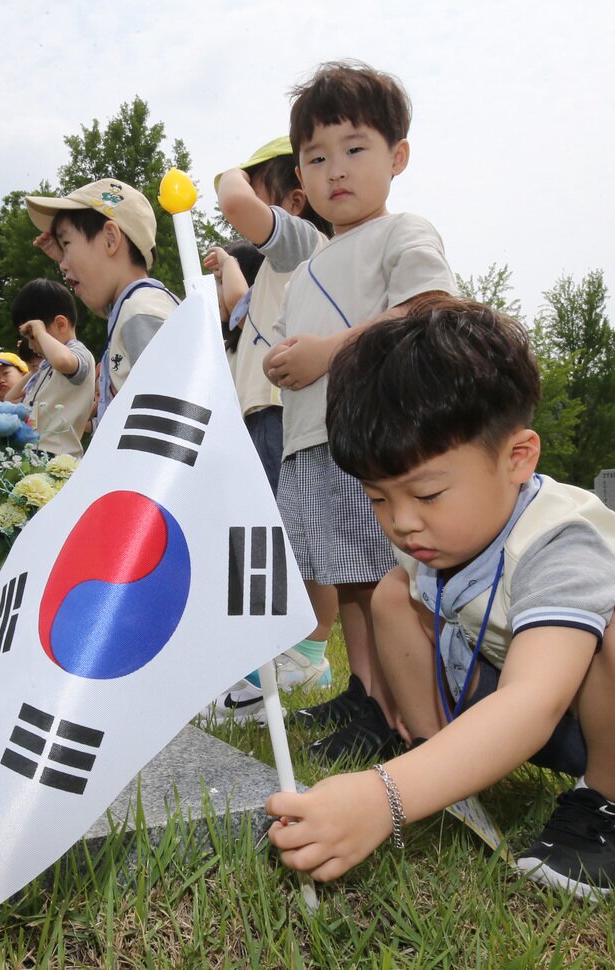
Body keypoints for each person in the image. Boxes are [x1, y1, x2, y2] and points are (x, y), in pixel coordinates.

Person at [266, 298, 615, 900]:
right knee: (392, 594)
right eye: (379, 499)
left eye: (428, 494)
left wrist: (382, 795)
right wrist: (427, 770)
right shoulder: (438, 536)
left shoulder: (559, 539)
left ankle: (607, 808)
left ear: (518, 458)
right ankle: (440, 761)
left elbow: (532, 702)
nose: (403, 522)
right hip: (528, 697)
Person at [263, 62, 458, 759]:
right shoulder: (311, 261)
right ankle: (365, 691)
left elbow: (430, 308)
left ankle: (397, 708)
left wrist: (327, 353)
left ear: (396, 156)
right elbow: (308, 351)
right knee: (346, 576)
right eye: (315, 158)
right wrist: (288, 363)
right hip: (314, 443)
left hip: (376, 443)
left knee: (383, 576)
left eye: (354, 149)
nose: (334, 171)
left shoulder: (401, 230)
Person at [200, 137, 339, 724]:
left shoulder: (303, 245)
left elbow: (231, 199)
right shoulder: (273, 277)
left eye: (264, 193)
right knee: (275, 538)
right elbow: (238, 302)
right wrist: (228, 265)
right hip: (263, 415)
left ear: (294, 202)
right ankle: (278, 652)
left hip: (289, 413)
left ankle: (308, 653)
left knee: (302, 543)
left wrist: (234, 174)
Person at [26, 178, 178, 427]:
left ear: (110, 238)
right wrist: (70, 258)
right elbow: (102, 307)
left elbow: (168, 417)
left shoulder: (142, 312)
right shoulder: (133, 309)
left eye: (66, 244)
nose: (62, 265)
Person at [9, 278, 95, 458]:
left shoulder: (78, 353)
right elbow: (11, 399)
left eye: (32, 337)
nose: (32, 346)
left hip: (58, 457)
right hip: (35, 454)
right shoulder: (46, 365)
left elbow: (64, 361)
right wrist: (34, 370)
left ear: (60, 324)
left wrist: (40, 333)